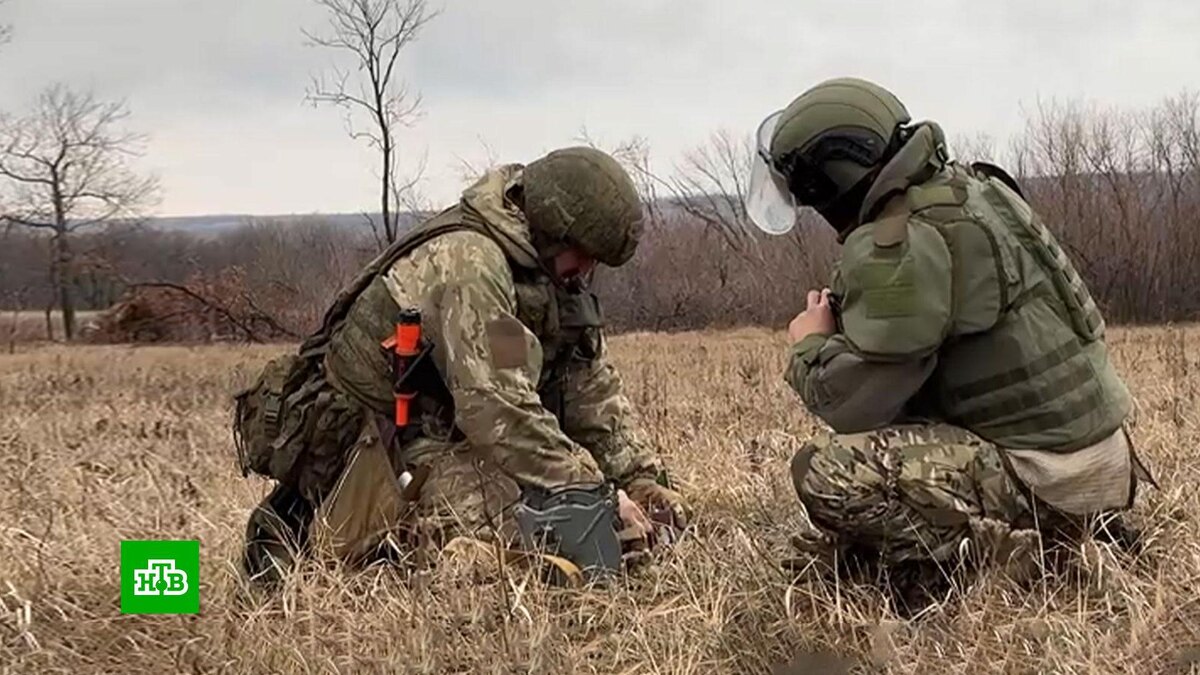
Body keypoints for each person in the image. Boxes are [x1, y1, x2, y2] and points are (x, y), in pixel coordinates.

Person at [746, 77, 1155, 592]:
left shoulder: (902, 240)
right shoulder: (976, 192)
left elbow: (854, 406)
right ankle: (1075, 527)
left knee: (827, 471)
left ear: (830, 181)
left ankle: (1008, 558)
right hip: (1104, 464)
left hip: (1046, 478)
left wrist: (811, 342)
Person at [232, 146, 687, 587]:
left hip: (449, 433)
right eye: (584, 254)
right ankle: (319, 538)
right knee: (522, 528)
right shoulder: (471, 263)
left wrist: (639, 479)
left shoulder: (547, 272)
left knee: (574, 521)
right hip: (378, 445)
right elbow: (496, 408)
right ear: (554, 229)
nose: (587, 270)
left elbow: (588, 387)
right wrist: (596, 494)